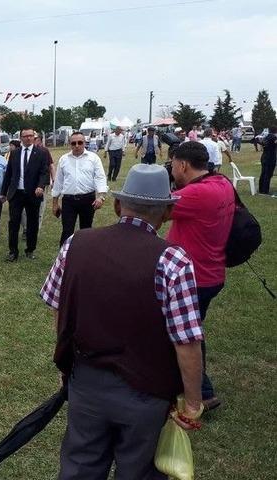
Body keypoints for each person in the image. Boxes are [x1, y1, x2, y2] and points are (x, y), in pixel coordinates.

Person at [42, 163, 205, 479]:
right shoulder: (174, 259)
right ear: (168, 211)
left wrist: (66, 363)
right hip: (147, 392)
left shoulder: (76, 243)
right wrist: (193, 402)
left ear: (118, 206)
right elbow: (186, 341)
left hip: (86, 381)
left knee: (80, 467)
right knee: (138, 469)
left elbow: (57, 309)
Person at [167, 141, 235, 411]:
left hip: (193, 277)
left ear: (183, 164)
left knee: (183, 336)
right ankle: (196, 388)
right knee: (190, 331)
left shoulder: (193, 195)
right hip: (212, 271)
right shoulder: (222, 184)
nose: (171, 169)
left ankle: (201, 392)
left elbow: (152, 210)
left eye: (172, 164)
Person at [0, 129, 50, 261]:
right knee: (14, 223)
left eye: (30, 136)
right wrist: (3, 193)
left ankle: (30, 250)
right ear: (20, 138)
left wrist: (41, 186)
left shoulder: (41, 153)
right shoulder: (14, 153)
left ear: (34, 137)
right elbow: (9, 174)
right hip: (16, 194)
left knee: (32, 224)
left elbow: (44, 172)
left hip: (33, 194)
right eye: (25, 136)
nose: (28, 138)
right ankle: (13, 252)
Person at [52, 132, 108, 246]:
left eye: (80, 142)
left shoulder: (93, 158)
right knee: (67, 231)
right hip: (68, 201)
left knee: (86, 231)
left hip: (88, 200)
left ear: (84, 143)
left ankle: (84, 258)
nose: (77, 145)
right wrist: (54, 203)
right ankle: (64, 260)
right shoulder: (64, 159)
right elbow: (58, 182)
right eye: (73, 143)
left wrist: (101, 197)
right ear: (70, 144)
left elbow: (100, 177)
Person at [258, 125, 276, 195]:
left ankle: (261, 189)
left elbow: (262, 143)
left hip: (264, 157)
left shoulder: (266, 137)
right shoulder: (273, 137)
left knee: (263, 173)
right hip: (270, 158)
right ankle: (265, 190)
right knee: (268, 174)